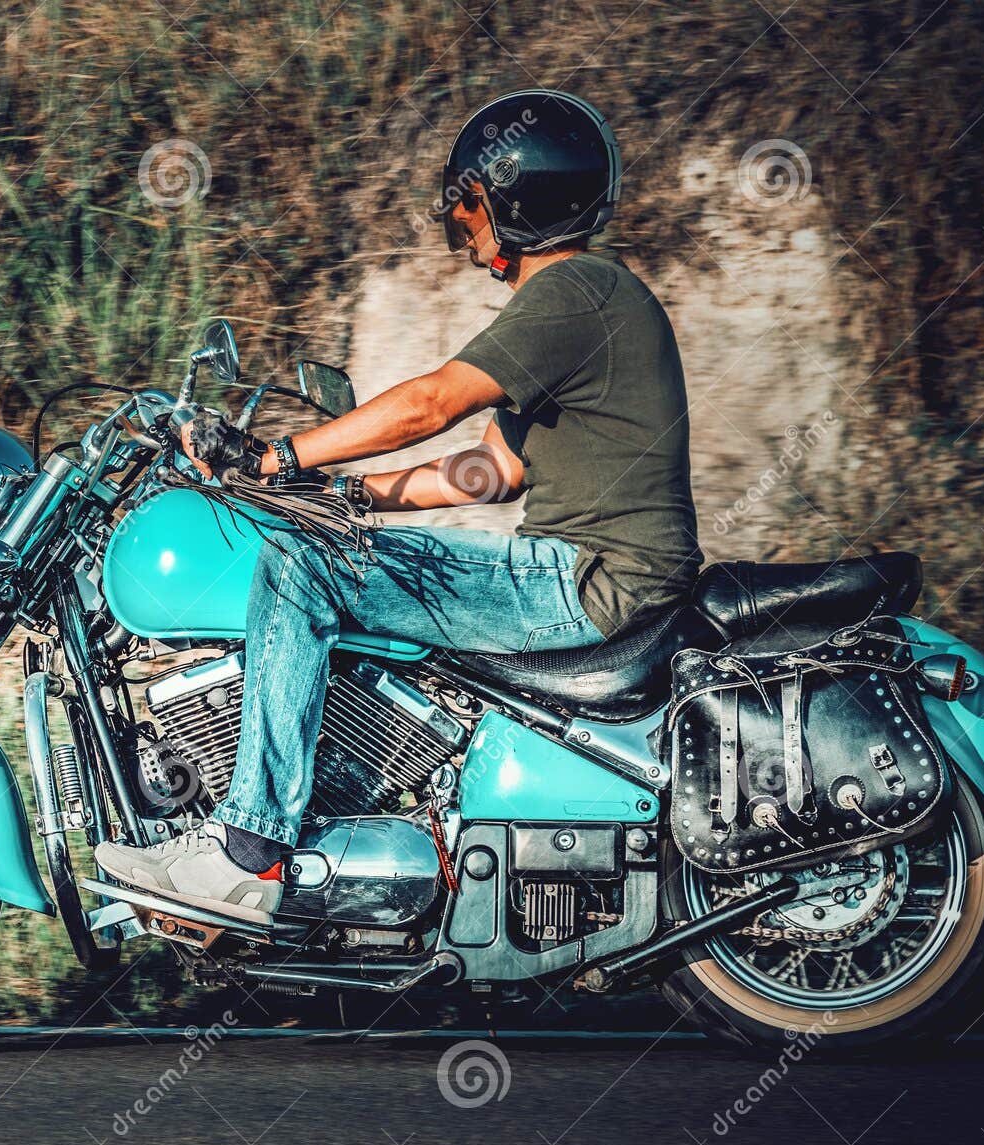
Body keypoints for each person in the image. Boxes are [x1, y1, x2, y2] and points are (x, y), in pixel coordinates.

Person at [95, 88, 700, 925]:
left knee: (303, 567)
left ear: (515, 201)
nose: (466, 223)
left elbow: (431, 405)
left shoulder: (576, 293)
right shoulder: (591, 302)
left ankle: (247, 852)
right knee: (323, 543)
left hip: (586, 580)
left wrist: (279, 454)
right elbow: (491, 472)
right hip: (591, 572)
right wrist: (343, 494)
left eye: (473, 204)